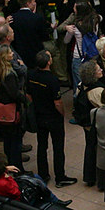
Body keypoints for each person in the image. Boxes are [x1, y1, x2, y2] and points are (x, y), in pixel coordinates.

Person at [28, 50, 77, 188]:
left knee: (42, 146)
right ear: (49, 62)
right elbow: (58, 102)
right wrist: (62, 113)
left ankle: (43, 174)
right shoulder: (52, 79)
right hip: (53, 117)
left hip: (39, 115)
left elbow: (28, 94)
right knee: (58, 147)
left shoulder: (31, 75)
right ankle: (60, 177)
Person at [0, 153, 70, 206]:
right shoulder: (4, 182)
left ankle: (53, 199)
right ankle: (54, 200)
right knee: (37, 182)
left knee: (35, 179)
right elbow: (16, 192)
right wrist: (8, 178)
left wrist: (5, 169)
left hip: (2, 194)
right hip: (19, 200)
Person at [0, 44, 27, 168]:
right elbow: (14, 93)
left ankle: (8, 163)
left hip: (2, 112)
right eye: (10, 52)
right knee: (15, 141)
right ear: (5, 57)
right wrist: (26, 100)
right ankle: (17, 167)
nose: (12, 54)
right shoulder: (9, 75)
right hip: (12, 111)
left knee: (7, 141)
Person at [11, 0, 54, 75]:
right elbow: (44, 36)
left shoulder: (13, 18)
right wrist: (51, 29)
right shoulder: (37, 18)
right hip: (35, 53)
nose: (35, 3)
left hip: (20, 53)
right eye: (33, 1)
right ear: (28, 3)